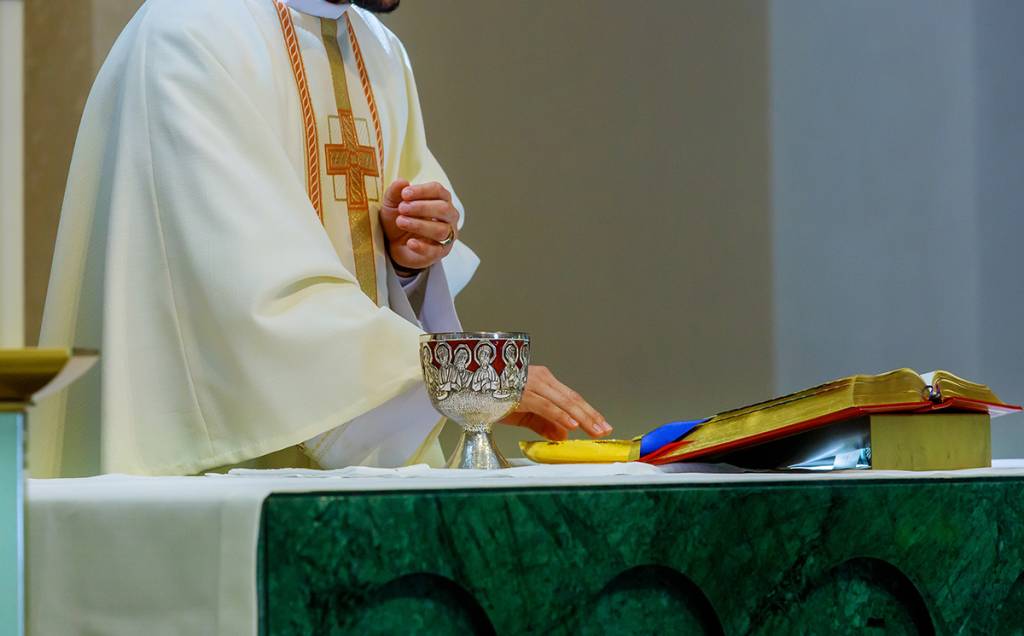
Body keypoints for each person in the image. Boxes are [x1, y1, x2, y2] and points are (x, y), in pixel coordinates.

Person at [30, 0, 611, 477]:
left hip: (356, 472)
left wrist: (406, 259)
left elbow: (377, 264)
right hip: (216, 474)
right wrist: (460, 376)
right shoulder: (189, 34)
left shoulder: (379, 49)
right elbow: (253, 301)